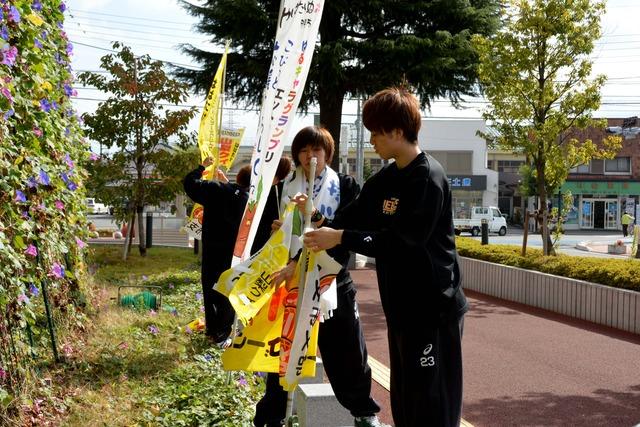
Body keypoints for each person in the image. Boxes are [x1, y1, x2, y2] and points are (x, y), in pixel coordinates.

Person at [303, 88, 468, 427]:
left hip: (432, 309)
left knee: (432, 400)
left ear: (396, 131)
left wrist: (340, 236)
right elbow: (350, 219)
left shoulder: (428, 178)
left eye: (376, 132)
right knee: (405, 397)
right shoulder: (386, 179)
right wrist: (315, 220)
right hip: (402, 308)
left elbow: (403, 243)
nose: (372, 140)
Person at [253, 126, 386, 427]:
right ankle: (272, 415)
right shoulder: (282, 187)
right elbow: (267, 235)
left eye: (317, 150)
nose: (310, 156)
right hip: (288, 280)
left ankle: (363, 412)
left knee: (348, 349)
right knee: (282, 348)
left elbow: (345, 231)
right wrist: (276, 234)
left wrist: (312, 215)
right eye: (303, 150)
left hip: (332, 279)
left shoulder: (346, 185)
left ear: (328, 153)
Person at [183, 158, 251, 343]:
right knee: (227, 291)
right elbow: (237, 195)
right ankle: (223, 332)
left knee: (210, 287)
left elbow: (190, 183)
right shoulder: (250, 202)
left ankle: (213, 331)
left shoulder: (215, 189)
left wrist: (202, 167)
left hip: (212, 250)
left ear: (237, 177)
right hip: (234, 255)